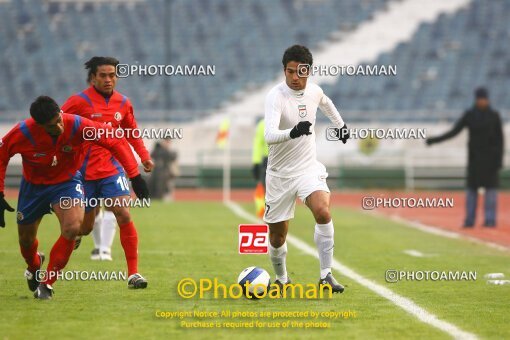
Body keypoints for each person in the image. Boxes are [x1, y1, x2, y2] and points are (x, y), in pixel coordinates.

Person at [0, 96, 149, 299]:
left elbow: (114, 139)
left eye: (60, 119)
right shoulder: (23, 132)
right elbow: (2, 154)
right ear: (40, 125)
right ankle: (34, 265)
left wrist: (135, 175)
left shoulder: (76, 124)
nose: (60, 126)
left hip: (66, 184)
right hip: (33, 188)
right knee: (26, 241)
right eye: (53, 126)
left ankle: (47, 284)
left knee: (72, 227)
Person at [62, 57, 154, 288]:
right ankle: (76, 236)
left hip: (112, 170)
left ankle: (133, 274)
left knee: (123, 213)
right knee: (84, 227)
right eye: (102, 75)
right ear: (93, 77)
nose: (108, 79)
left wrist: (144, 157)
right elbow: (57, 125)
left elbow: (132, 132)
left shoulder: (123, 103)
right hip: (83, 173)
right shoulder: (78, 102)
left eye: (112, 75)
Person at [263, 45, 349, 294]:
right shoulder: (275, 96)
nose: (294, 77)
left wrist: (341, 125)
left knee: (323, 212)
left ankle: (326, 276)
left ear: (308, 71)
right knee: (278, 238)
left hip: (307, 169)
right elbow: (269, 135)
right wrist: (293, 132)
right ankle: (282, 279)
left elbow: (326, 102)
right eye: (289, 72)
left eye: (300, 72)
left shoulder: (314, 91)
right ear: (284, 70)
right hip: (279, 174)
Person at [426, 87, 504, 227]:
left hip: (491, 160)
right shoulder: (469, 115)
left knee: (491, 193)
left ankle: (490, 220)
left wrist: (498, 161)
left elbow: (500, 140)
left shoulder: (494, 116)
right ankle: (469, 220)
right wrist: (434, 140)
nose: (482, 101)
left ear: (487, 99)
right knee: (471, 193)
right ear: (476, 99)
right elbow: (454, 131)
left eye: (484, 98)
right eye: (480, 98)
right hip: (474, 159)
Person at [252, 118, 269, 217]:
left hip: (267, 161)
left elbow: (257, 144)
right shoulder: (285, 121)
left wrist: (256, 163)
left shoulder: (262, 124)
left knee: (266, 187)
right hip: (280, 159)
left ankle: (266, 211)